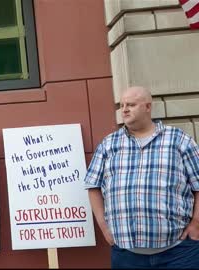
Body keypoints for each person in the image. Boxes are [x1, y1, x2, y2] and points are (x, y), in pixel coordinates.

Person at [84, 86, 199, 268]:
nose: (125, 109)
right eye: (122, 105)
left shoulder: (179, 140)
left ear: (147, 107)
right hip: (127, 256)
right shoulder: (108, 144)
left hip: (179, 253)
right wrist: (104, 228)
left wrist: (196, 223)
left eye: (131, 104)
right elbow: (93, 186)